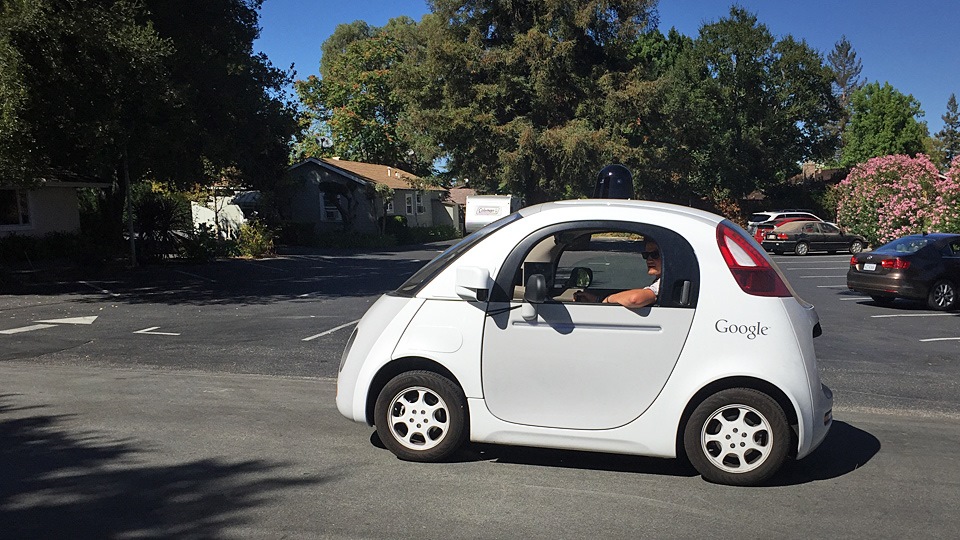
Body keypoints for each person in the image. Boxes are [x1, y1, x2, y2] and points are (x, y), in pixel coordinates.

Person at [573, 241, 661, 308]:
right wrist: (597, 300)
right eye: (646, 255)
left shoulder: (662, 284)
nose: (649, 259)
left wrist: (607, 300)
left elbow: (634, 299)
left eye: (655, 254)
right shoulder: (661, 281)